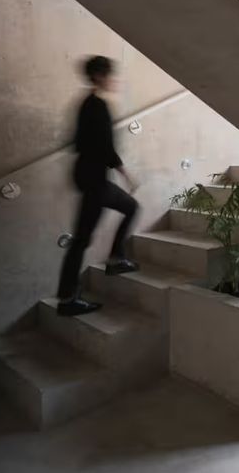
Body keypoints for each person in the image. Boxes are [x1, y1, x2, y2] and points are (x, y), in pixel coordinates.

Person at [57, 55, 140, 316]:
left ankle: (115, 259)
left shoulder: (85, 104)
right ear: (99, 76)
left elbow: (78, 143)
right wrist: (125, 174)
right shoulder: (97, 106)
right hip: (94, 180)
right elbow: (105, 146)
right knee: (82, 239)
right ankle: (68, 299)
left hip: (89, 177)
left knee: (128, 208)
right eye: (109, 74)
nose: (112, 79)